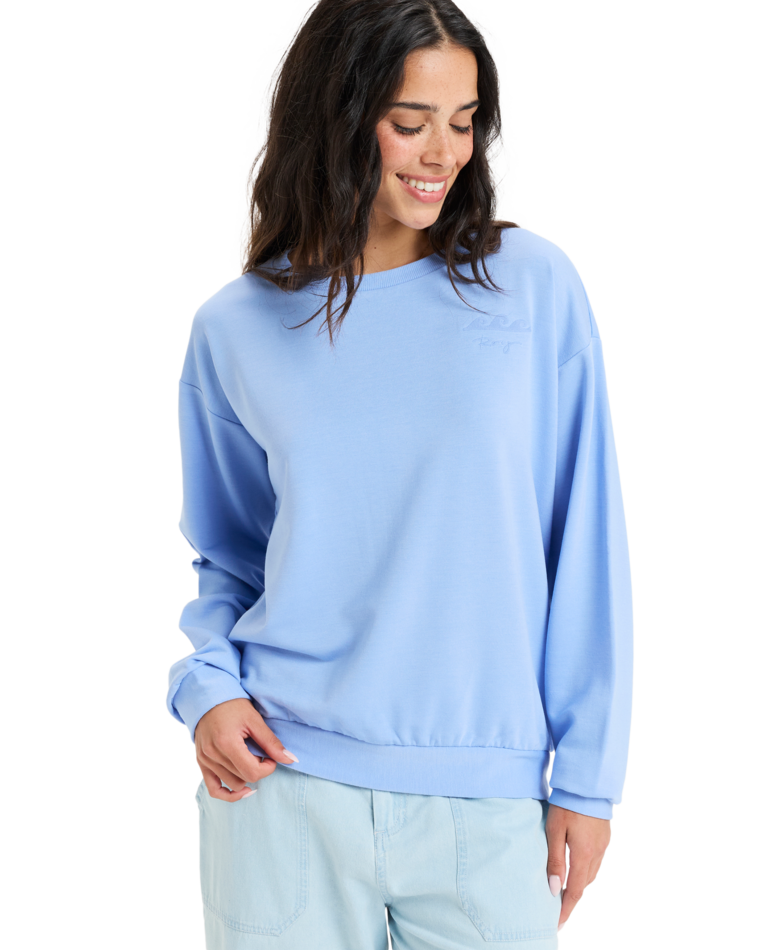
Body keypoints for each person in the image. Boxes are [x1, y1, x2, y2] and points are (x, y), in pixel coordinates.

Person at [166, 1, 634, 948]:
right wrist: (207, 689)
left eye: (464, 122)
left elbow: (585, 543)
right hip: (282, 791)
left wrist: (589, 781)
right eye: (410, 123)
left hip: (485, 803)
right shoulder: (234, 327)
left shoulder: (531, 286)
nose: (444, 154)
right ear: (336, 119)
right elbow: (231, 562)